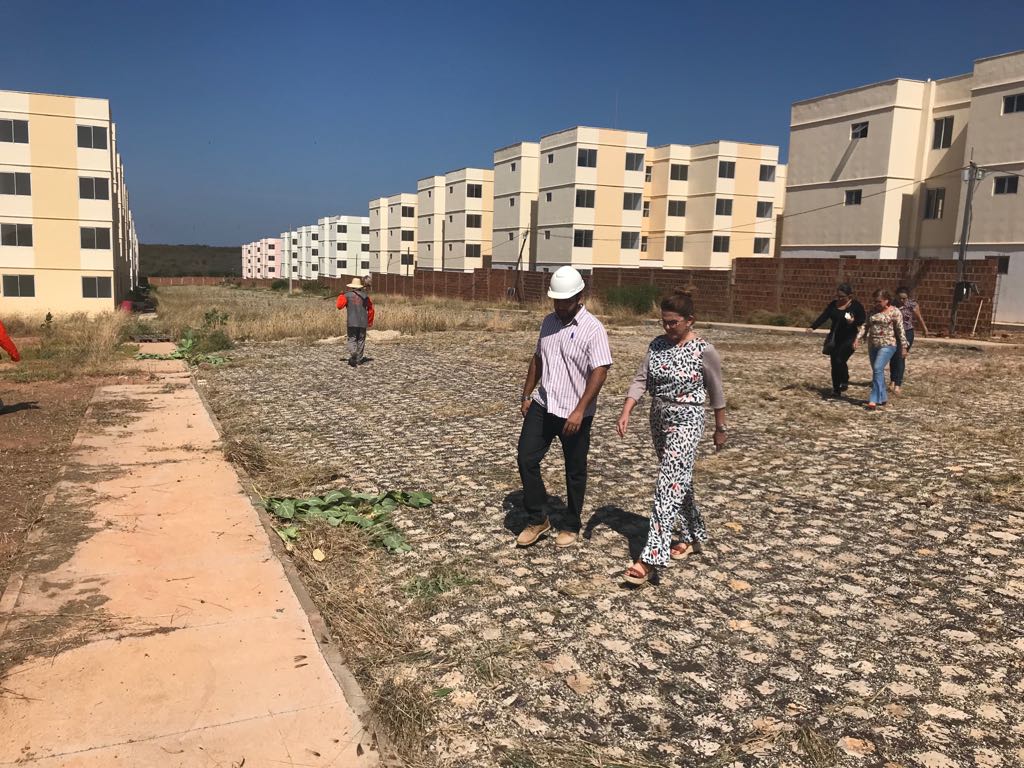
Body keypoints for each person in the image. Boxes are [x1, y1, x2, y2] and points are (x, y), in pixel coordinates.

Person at [615, 291, 726, 585]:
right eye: (664, 322)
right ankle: (693, 534)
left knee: (667, 484)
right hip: (659, 416)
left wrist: (720, 428)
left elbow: (716, 391)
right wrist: (627, 410)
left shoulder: (704, 350)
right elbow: (641, 379)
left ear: (690, 321)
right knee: (678, 479)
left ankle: (650, 557)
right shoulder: (657, 345)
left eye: (673, 323)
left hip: (688, 418)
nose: (667, 327)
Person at [516, 266, 613, 548]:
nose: (559, 307)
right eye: (556, 301)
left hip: (575, 412)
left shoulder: (592, 329)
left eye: (565, 301)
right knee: (526, 458)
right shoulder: (548, 322)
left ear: (580, 297)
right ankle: (538, 519)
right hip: (544, 404)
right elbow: (538, 359)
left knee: (574, 469)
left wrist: (581, 410)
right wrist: (526, 395)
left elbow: (600, 371)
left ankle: (571, 524)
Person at [806, 284, 866, 396]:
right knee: (834, 362)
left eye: (842, 297)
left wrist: (853, 322)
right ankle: (836, 388)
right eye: (838, 296)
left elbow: (862, 320)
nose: (839, 299)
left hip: (850, 337)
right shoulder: (833, 305)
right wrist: (813, 327)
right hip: (835, 337)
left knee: (840, 359)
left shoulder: (856, 306)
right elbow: (824, 316)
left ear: (850, 296)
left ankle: (844, 379)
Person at [855, 289, 907, 410]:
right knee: (877, 370)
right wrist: (857, 338)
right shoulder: (872, 311)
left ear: (886, 300)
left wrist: (904, 346)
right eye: (875, 301)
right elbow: (865, 325)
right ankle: (883, 397)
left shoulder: (895, 312)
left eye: (879, 301)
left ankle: (873, 398)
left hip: (888, 344)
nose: (876, 304)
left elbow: (900, 330)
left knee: (878, 368)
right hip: (873, 344)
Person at [889, 285, 928, 393]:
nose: (902, 300)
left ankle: (898, 383)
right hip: (894, 333)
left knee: (901, 356)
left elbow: (919, 317)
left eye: (904, 298)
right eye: (900, 298)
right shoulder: (892, 305)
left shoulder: (912, 305)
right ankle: (892, 380)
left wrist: (924, 328)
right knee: (893, 356)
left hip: (907, 333)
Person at [336, 277, 374, 367]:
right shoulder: (365, 296)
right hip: (362, 322)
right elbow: (371, 309)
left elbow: (339, 306)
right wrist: (369, 321)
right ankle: (359, 359)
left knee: (352, 339)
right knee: (361, 340)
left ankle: (353, 353)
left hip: (352, 322)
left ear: (352, 287)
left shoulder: (347, 295)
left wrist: (341, 295)